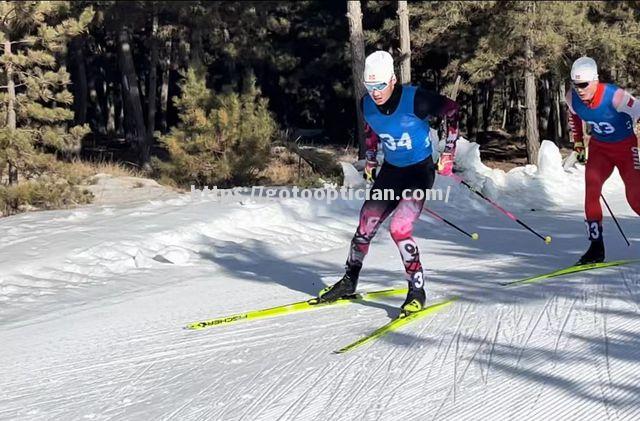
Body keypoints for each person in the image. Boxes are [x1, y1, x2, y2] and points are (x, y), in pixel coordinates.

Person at [317, 50, 460, 315]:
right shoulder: (366, 104)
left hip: (419, 171)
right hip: (392, 172)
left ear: (392, 79)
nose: (375, 92)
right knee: (365, 226)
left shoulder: (416, 99)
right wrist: (371, 159)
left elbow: (452, 110)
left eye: (380, 85)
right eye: (370, 86)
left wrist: (448, 152)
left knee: (399, 228)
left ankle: (417, 290)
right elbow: (372, 128)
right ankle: (349, 280)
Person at [566, 56, 640, 264]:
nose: (579, 89)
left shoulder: (614, 96)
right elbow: (574, 116)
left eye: (583, 84)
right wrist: (579, 143)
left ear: (595, 81)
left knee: (635, 198)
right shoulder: (572, 98)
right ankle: (596, 248)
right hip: (600, 149)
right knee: (591, 190)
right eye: (575, 84)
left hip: (625, 147)